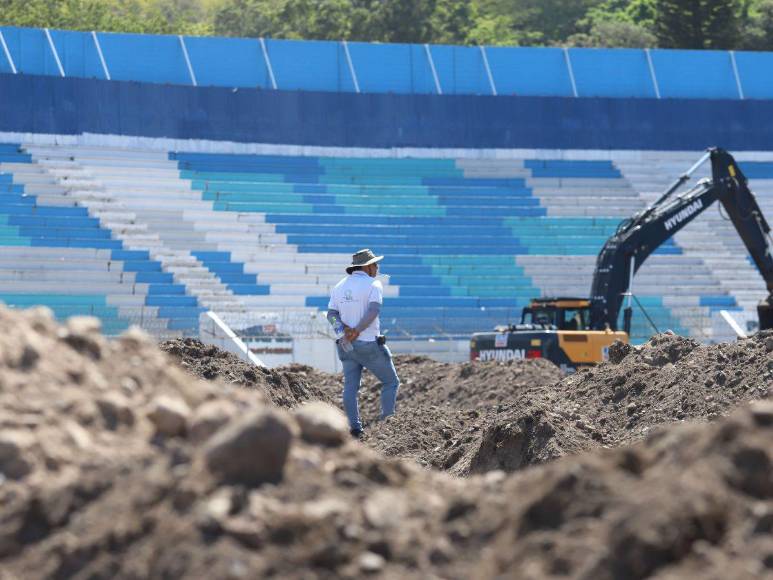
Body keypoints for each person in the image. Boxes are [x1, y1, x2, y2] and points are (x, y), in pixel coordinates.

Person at [327, 248, 400, 437]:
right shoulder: (373, 284)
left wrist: (343, 332)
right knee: (391, 382)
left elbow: (331, 314)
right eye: (375, 264)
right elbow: (373, 311)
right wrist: (357, 331)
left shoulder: (339, 286)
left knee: (350, 387)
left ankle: (355, 428)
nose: (377, 267)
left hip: (346, 346)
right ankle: (388, 423)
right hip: (368, 344)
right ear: (367, 267)